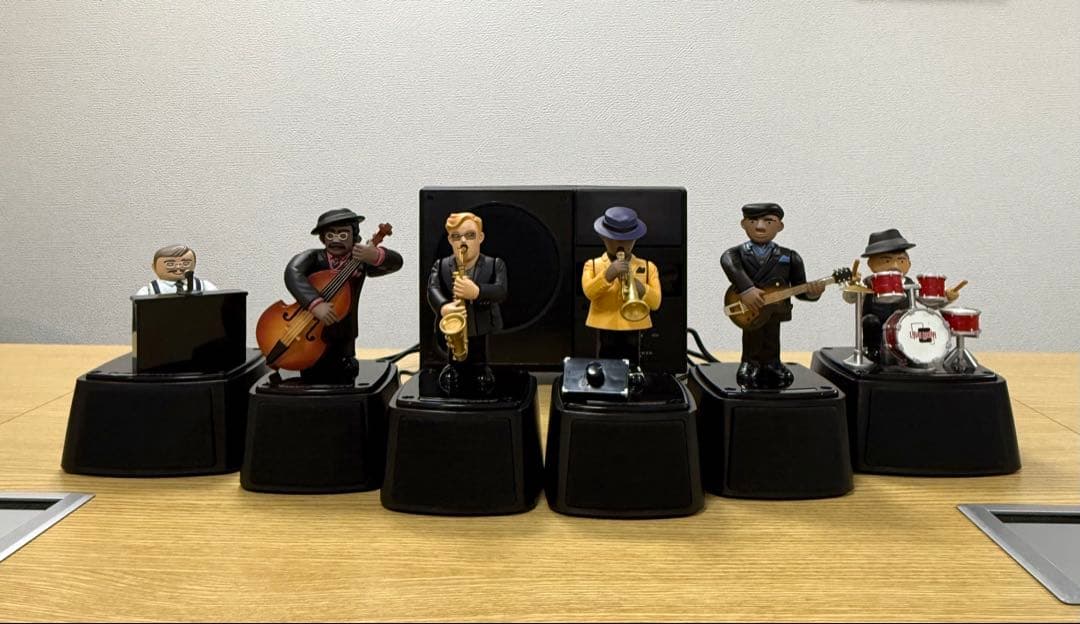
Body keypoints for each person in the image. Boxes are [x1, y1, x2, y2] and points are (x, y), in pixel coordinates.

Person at [284, 209, 403, 384]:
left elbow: (396, 263)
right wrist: (314, 303)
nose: (336, 239)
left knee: (344, 369)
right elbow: (292, 271)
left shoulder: (360, 260)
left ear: (354, 236)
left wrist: (376, 256)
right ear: (323, 238)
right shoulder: (314, 257)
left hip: (345, 328)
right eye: (330, 235)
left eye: (343, 234)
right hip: (307, 325)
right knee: (312, 366)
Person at [720, 203, 824, 389]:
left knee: (772, 335)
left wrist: (813, 293)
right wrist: (747, 289)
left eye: (768, 221)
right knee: (752, 335)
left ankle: (772, 363)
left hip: (775, 309)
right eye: (753, 221)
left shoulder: (790, 257)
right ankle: (750, 363)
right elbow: (729, 263)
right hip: (749, 308)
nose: (760, 227)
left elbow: (799, 288)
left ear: (780, 226)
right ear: (743, 224)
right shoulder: (736, 254)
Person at [844, 228, 961, 362]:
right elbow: (850, 298)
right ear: (871, 264)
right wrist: (852, 284)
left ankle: (914, 352)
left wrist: (947, 298)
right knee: (870, 321)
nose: (895, 265)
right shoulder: (869, 282)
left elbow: (929, 302)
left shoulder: (909, 283)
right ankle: (872, 352)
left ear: (908, 264)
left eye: (900, 260)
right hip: (877, 323)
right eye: (887, 261)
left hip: (904, 326)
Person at [427, 212, 507, 394]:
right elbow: (433, 289)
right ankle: (454, 368)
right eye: (456, 236)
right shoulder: (441, 265)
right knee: (452, 347)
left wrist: (477, 291)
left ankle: (480, 370)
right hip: (453, 319)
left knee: (479, 349)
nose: (463, 241)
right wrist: (444, 307)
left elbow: (501, 290)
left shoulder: (495, 264)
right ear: (450, 240)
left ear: (481, 237)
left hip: (481, 322)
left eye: (470, 235)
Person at [581, 206, 662, 371]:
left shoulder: (648, 267)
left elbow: (656, 303)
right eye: (613, 239)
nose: (621, 244)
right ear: (603, 237)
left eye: (627, 239)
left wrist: (640, 287)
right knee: (605, 359)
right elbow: (589, 292)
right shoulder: (593, 265)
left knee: (632, 359)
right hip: (604, 325)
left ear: (635, 239)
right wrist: (607, 275)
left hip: (634, 324)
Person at [136, 245, 218, 295]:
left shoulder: (205, 286)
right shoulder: (149, 291)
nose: (178, 267)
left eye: (185, 263)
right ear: (154, 267)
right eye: (170, 264)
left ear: (194, 263)